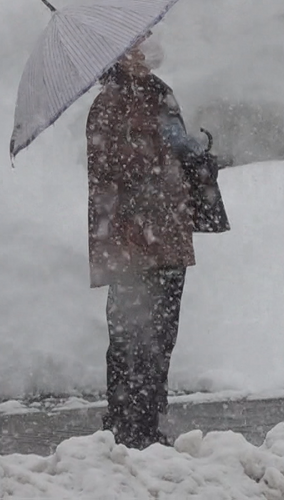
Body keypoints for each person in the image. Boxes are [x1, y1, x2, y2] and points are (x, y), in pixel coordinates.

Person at [86, 35, 207, 449]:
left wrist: (197, 155)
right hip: (130, 241)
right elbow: (111, 170)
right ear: (114, 56)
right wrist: (157, 163)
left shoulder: (160, 93)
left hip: (168, 234)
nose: (139, 55)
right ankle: (124, 424)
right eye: (129, 49)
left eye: (143, 46)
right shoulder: (109, 104)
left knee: (161, 334)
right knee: (128, 336)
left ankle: (150, 421)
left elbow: (176, 151)